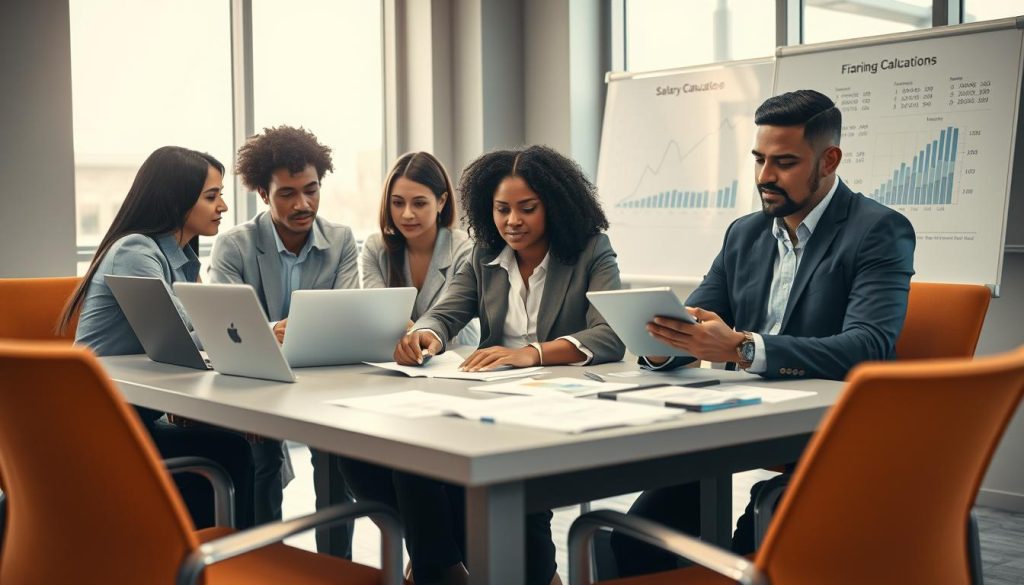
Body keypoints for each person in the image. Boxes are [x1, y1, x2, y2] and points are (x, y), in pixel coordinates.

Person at [609, 89, 917, 576]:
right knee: (628, 547)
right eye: (759, 159)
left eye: (785, 162)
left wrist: (744, 347)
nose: (764, 177)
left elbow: (870, 346)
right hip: (741, 420)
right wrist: (668, 341)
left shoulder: (878, 230)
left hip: (831, 434)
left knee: (750, 557)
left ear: (829, 160)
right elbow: (703, 316)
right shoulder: (745, 232)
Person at [379, 145, 625, 585]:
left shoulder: (591, 250)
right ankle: (447, 569)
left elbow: (610, 334)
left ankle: (455, 570)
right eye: (502, 209)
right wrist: (426, 336)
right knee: (413, 457)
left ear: (555, 206)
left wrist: (533, 353)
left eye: (527, 209)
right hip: (490, 402)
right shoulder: (482, 255)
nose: (512, 221)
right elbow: (445, 311)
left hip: (560, 406)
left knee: (480, 486)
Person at [60, 146, 255, 529]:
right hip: (101, 422)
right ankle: (227, 562)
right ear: (177, 200)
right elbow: (181, 335)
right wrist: (254, 334)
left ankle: (208, 556)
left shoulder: (180, 258)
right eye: (211, 197)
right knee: (229, 451)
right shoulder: (135, 251)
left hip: (131, 412)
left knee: (227, 445)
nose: (223, 207)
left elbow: (187, 337)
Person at [207, 125, 357, 557]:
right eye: (287, 194)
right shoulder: (235, 245)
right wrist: (271, 333)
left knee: (335, 464)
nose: (303, 204)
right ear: (263, 194)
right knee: (261, 464)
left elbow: (345, 320)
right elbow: (224, 329)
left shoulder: (342, 240)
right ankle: (265, 562)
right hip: (256, 382)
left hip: (322, 382)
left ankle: (337, 567)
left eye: (311, 190)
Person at [360, 151, 479, 346]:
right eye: (398, 203)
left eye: (419, 203)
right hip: (397, 361)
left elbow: (452, 317)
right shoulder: (375, 249)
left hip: (456, 356)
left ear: (441, 201)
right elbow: (377, 318)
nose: (407, 214)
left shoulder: (464, 249)